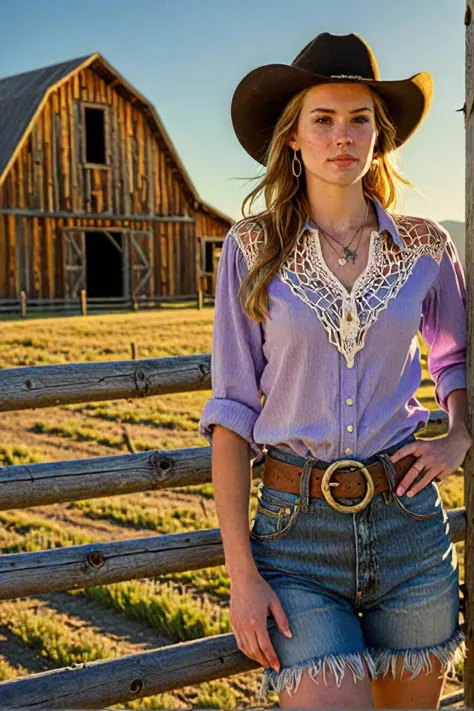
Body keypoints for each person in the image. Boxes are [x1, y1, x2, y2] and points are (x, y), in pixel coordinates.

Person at [198, 32, 472, 710]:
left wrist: (460, 432)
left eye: (360, 120)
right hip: (296, 544)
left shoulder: (426, 248)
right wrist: (240, 574)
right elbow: (232, 409)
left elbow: (456, 355)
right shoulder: (253, 247)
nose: (342, 136)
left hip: (410, 529)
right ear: (292, 136)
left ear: (381, 135)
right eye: (322, 119)